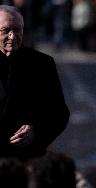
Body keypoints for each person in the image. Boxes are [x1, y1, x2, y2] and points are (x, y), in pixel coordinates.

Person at [0, 5, 70, 160]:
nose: (12, 36)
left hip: (26, 158)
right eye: (5, 31)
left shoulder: (42, 64)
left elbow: (59, 113)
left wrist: (36, 131)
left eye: (17, 30)